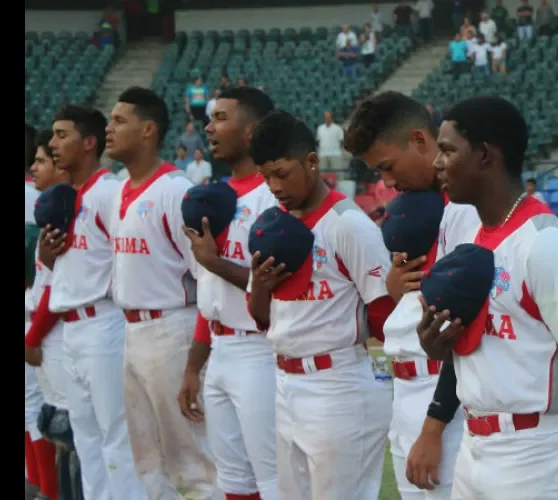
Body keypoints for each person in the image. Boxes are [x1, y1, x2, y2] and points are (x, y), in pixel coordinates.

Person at [415, 96, 558, 500]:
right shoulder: (471, 236)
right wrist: (438, 347)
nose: (437, 163)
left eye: (448, 150)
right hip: (475, 445)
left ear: (485, 156)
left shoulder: (544, 244)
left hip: (541, 452)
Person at [247, 110, 395, 500]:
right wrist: (261, 287)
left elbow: (383, 314)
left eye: (281, 172)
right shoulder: (274, 223)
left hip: (338, 384)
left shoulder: (348, 224)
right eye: (265, 176)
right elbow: (261, 316)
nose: (273, 185)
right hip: (285, 380)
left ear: (312, 162)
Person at [344, 91, 480, 499]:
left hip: (445, 400)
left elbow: (465, 331)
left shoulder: (468, 209)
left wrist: (433, 425)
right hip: (404, 391)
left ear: (421, 141)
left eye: (387, 166)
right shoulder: (412, 210)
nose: (386, 183)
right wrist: (393, 290)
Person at [104, 86, 217, 499]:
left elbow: (205, 277)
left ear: (148, 129)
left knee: (193, 461)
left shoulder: (176, 190)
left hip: (172, 326)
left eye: (119, 121)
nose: (108, 128)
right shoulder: (119, 188)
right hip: (132, 331)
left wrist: (194, 359)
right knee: (148, 462)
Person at [178, 86, 280, 500]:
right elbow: (210, 294)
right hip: (220, 350)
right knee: (233, 483)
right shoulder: (213, 194)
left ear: (252, 130)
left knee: (274, 480)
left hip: (261, 350)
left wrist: (215, 262)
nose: (209, 126)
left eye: (221, 117)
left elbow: (281, 292)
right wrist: (192, 368)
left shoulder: (274, 194)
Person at [41, 105, 147, 500]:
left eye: (61, 134)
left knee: (116, 436)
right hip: (71, 328)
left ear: (89, 143)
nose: (53, 144)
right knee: (86, 439)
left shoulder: (109, 192)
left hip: (104, 321)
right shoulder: (64, 197)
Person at [24, 128, 61, 500]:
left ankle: (47, 491)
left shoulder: (50, 204)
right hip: (39, 313)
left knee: (45, 410)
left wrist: (32, 335)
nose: (36, 167)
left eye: (43, 159)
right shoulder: (41, 200)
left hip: (49, 321)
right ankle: (41, 488)